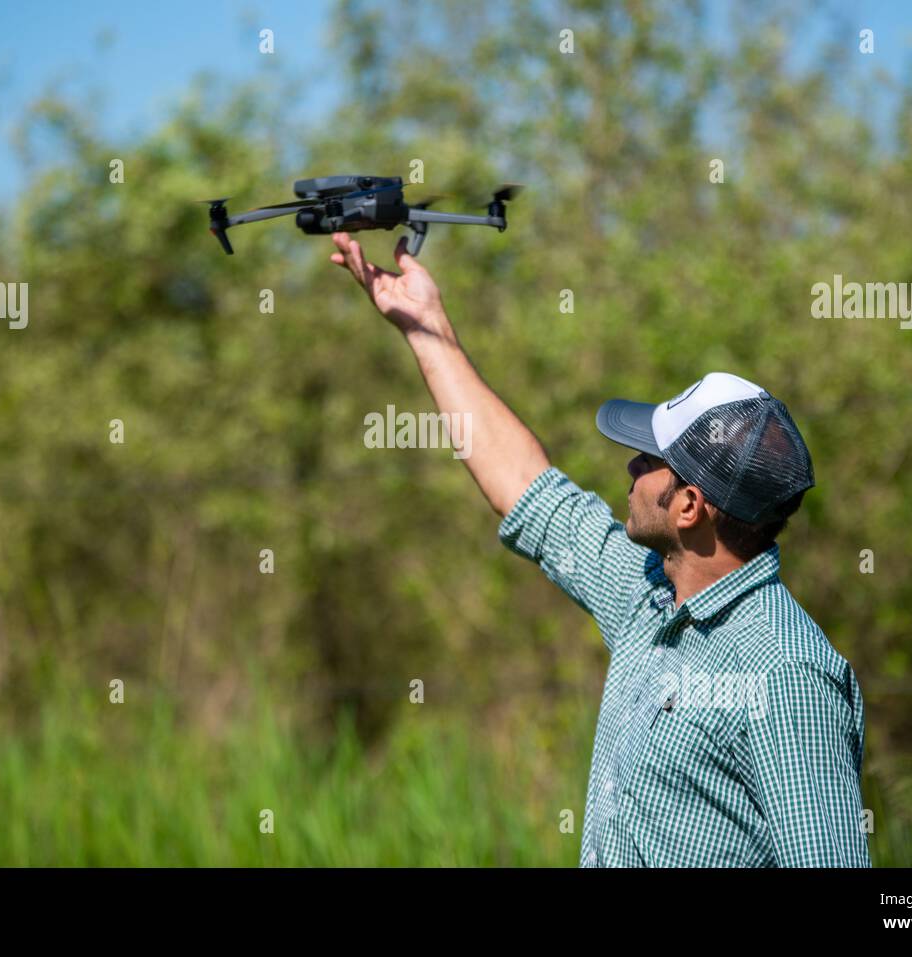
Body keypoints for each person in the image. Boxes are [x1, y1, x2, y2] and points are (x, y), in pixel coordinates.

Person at [329, 232, 871, 867]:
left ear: (690, 506)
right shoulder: (649, 593)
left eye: (650, 459)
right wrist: (427, 330)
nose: (630, 466)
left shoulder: (788, 677)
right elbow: (526, 488)